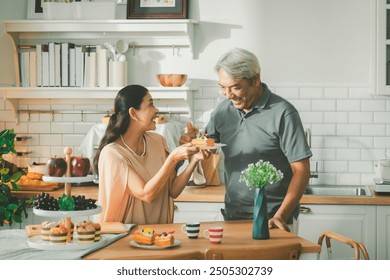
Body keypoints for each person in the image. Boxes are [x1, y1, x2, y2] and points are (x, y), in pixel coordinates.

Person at [181, 48, 312, 233]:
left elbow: (302, 170)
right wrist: (193, 141)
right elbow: (207, 144)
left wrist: (281, 216)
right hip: (232, 215)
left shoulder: (283, 113)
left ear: (256, 79)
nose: (228, 95)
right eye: (222, 87)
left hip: (273, 219)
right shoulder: (222, 111)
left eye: (235, 87)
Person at [94, 84, 210, 224]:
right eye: (150, 104)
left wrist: (194, 160)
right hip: (125, 237)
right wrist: (173, 158)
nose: (156, 110)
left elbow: (173, 190)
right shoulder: (112, 153)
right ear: (133, 113)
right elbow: (146, 194)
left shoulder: (157, 141)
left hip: (161, 235)